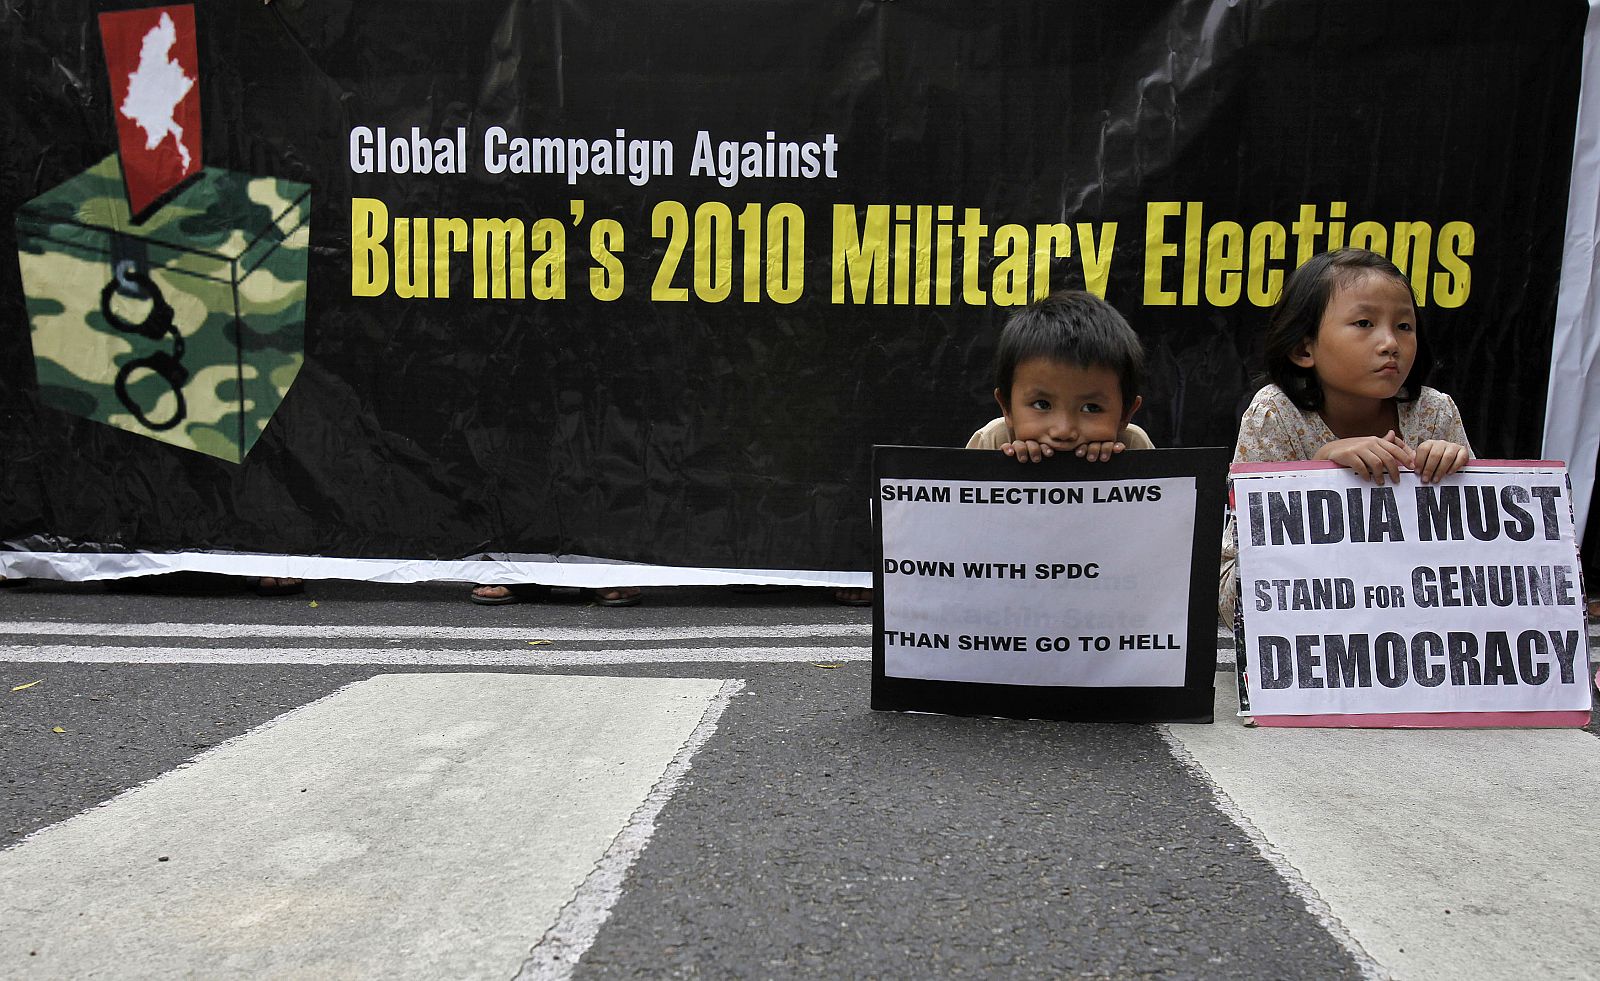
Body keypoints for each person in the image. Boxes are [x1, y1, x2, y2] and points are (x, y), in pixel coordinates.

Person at [1218, 248, 1473, 625]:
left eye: (1405, 326)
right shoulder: (1275, 414)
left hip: (1408, 618)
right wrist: (1318, 474)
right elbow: (1240, 595)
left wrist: (1452, 473)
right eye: (1364, 323)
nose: (1390, 343)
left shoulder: (1435, 413)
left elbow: (1477, 563)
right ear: (1303, 348)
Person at [966, 289, 1151, 460]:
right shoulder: (992, 442)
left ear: (1126, 414)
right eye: (1042, 404)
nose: (1063, 431)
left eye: (1091, 408)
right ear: (1007, 407)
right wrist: (1007, 468)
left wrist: (1115, 468)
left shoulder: (1134, 445)